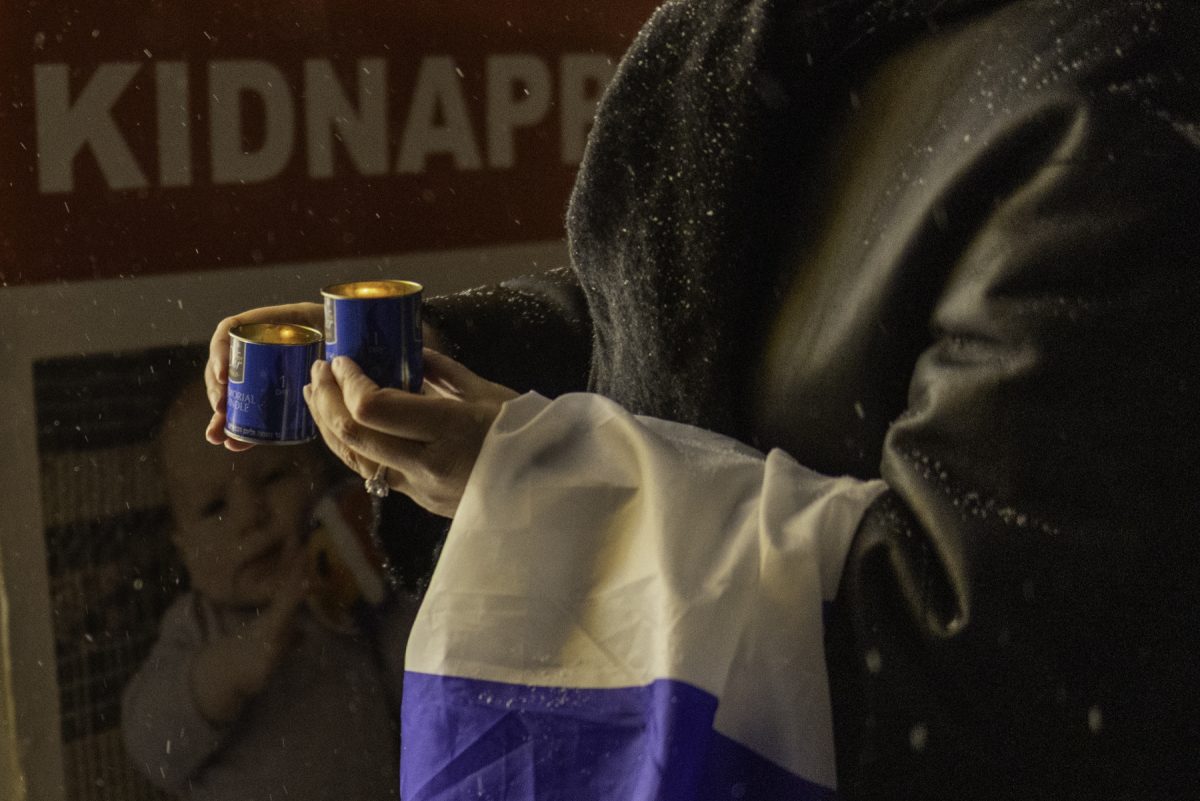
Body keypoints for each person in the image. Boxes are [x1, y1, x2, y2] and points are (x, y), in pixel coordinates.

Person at [204, 0, 1200, 798]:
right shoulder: (767, 33)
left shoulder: (1121, 93)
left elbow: (985, 659)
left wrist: (532, 477)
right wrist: (445, 354)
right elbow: (669, 320)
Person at [122, 378, 416, 800]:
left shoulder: (350, 600)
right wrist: (233, 667)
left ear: (320, 474)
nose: (250, 515)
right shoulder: (199, 625)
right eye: (214, 507)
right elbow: (152, 747)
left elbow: (419, 679)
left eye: (274, 477)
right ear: (185, 551)